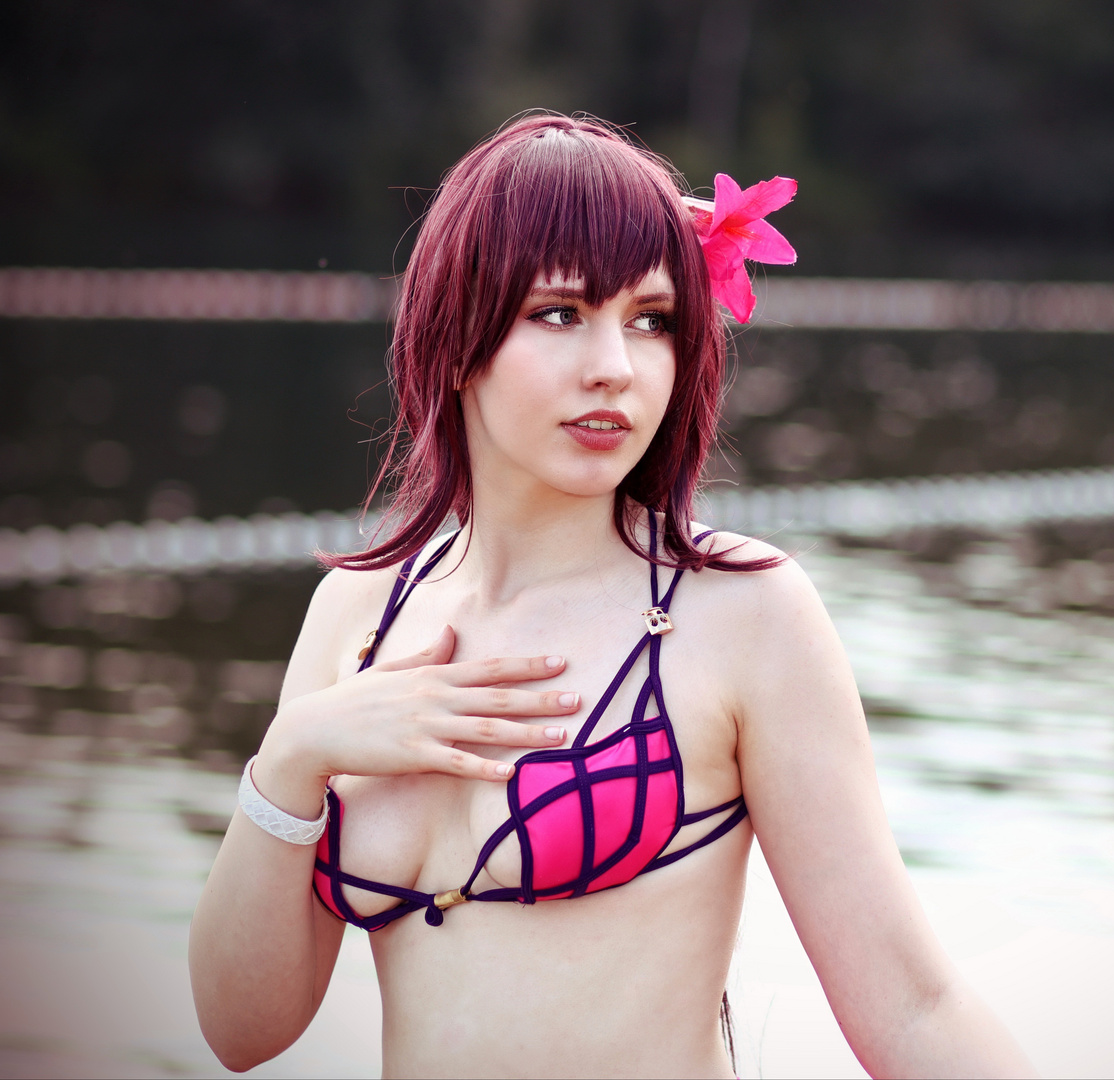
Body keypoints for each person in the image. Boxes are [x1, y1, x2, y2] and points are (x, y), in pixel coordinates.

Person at [188, 112, 1034, 1078]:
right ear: (458, 334)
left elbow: (915, 1010)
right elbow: (239, 1031)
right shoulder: (361, 608)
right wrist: (295, 757)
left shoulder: (742, 615)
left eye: (651, 320)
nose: (616, 368)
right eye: (560, 313)